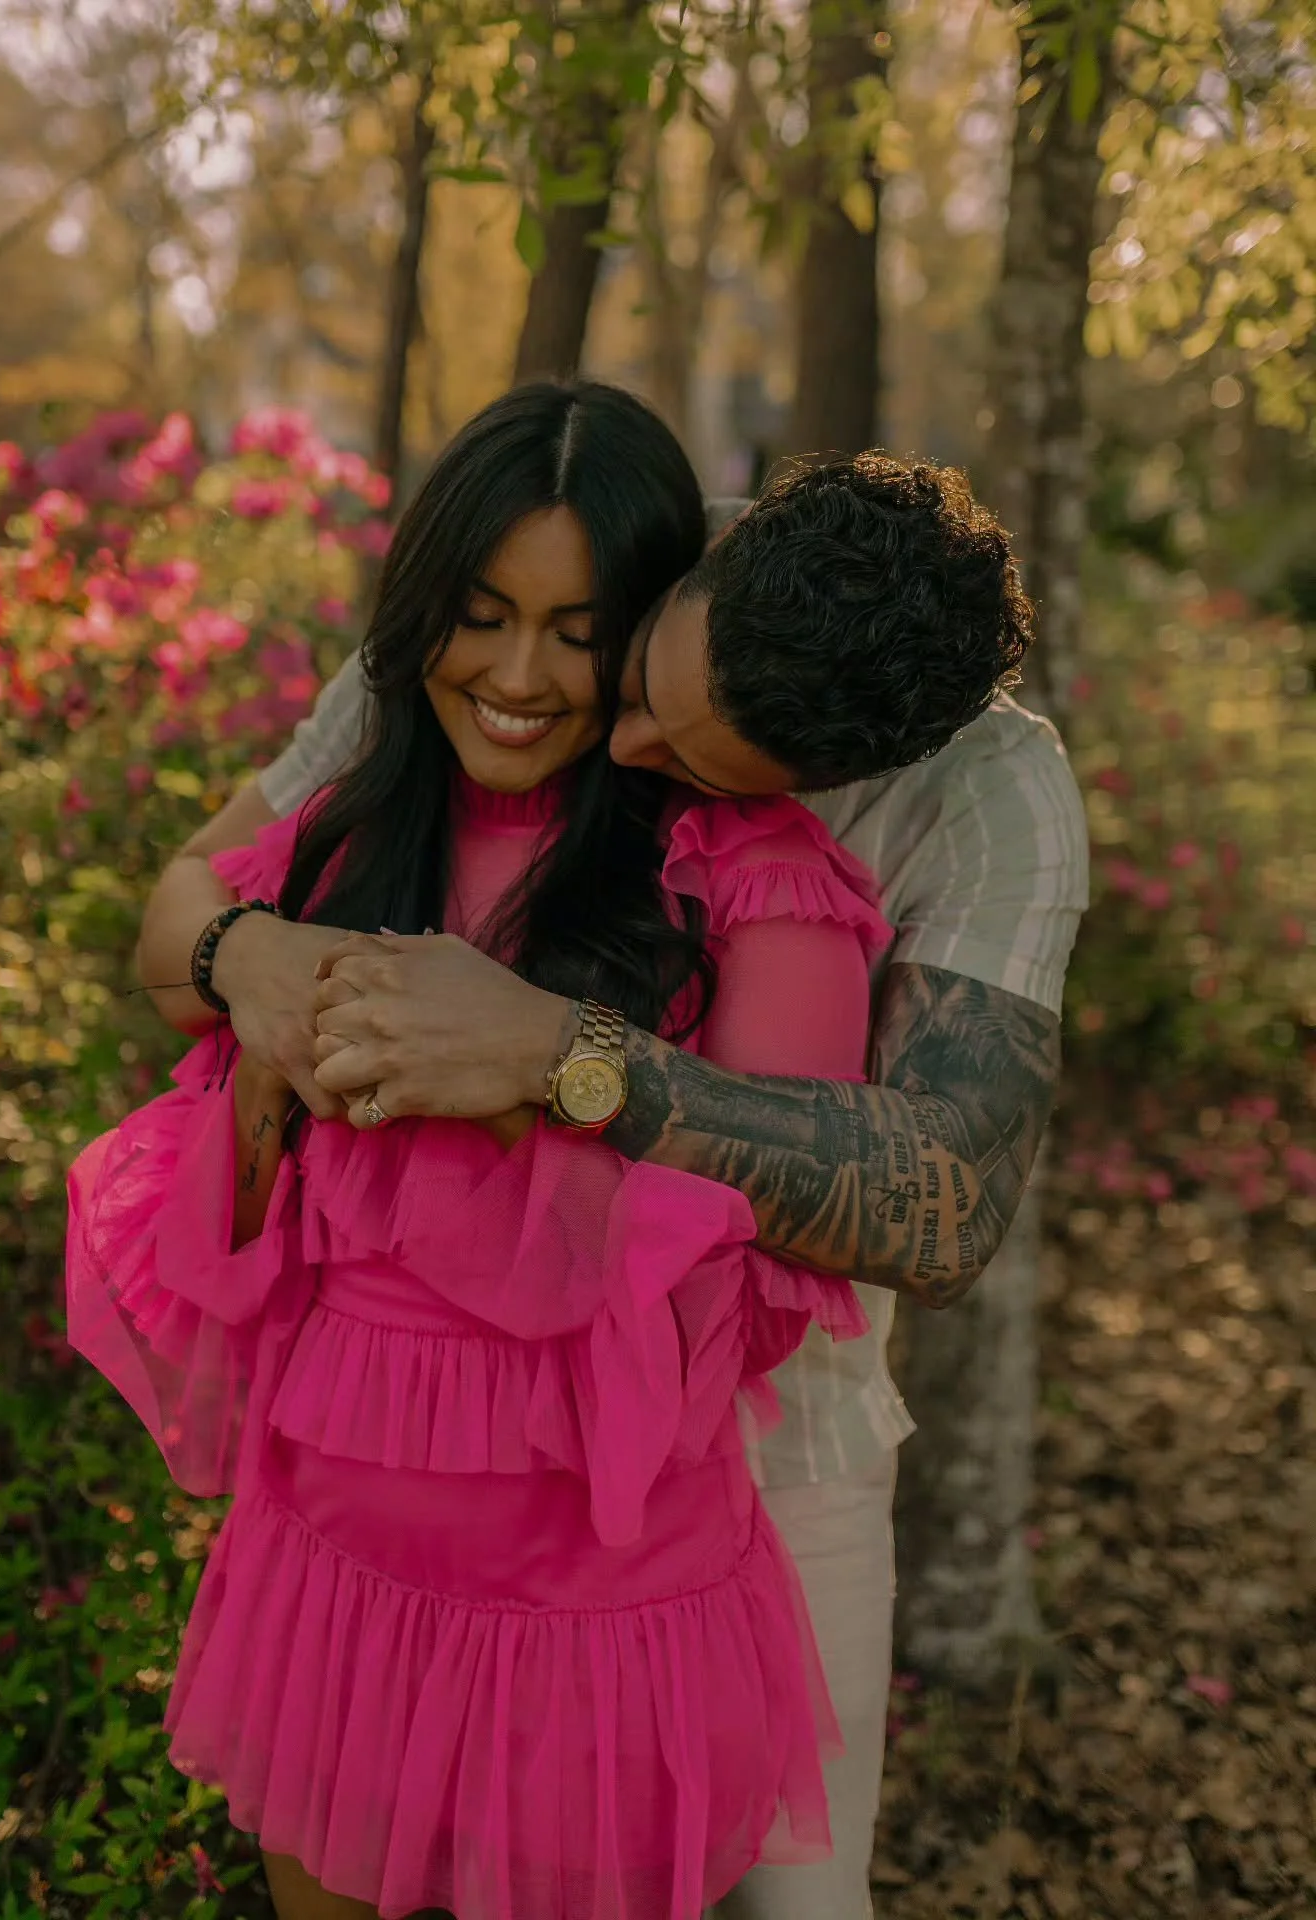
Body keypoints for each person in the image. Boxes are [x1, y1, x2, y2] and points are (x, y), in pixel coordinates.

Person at [73, 378, 1011, 1920]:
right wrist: (252, 970)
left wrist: (524, 1077)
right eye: (483, 613)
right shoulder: (376, 812)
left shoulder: (752, 882)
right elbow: (180, 933)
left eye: (580, 633)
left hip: (590, 1613)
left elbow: (783, 1232)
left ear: (648, 625)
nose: (521, 675)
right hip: (331, 1572)